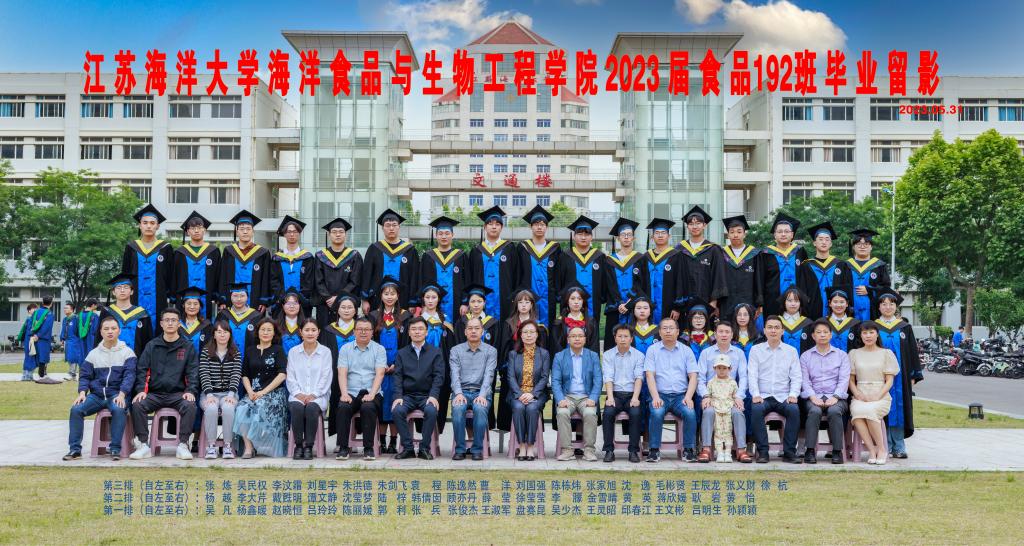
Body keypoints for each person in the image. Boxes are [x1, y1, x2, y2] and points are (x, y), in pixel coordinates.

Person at [129, 307, 199, 460]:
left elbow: (193, 372)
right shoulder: (152, 345)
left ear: (179, 324)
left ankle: (183, 445)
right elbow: (142, 369)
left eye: (174, 320)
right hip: (154, 394)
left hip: (177, 394)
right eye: (167, 320)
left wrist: (190, 390)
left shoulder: (187, 346)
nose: (170, 323)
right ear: (161, 324)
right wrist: (141, 390)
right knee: (138, 404)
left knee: (190, 405)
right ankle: (143, 445)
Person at [64, 316, 136, 461]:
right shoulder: (93, 354)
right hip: (96, 396)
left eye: (113, 328)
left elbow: (130, 376)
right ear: (101, 332)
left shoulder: (127, 353)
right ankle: (75, 450)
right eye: (106, 329)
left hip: (116, 395)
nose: (110, 331)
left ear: (119, 331)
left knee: (118, 409)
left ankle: (115, 449)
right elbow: (85, 375)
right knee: (76, 409)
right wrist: (82, 393)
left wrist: (122, 395)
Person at [873, 288, 923, 459]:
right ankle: (885, 445)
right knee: (882, 408)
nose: (888, 307)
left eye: (891, 304)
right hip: (878, 377)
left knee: (900, 409)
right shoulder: (874, 327)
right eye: (884, 304)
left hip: (901, 378)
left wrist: (914, 375)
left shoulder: (905, 328)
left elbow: (913, 352)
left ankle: (899, 446)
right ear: (879, 307)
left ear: (896, 307)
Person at [556, 216, 619, 347]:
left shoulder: (600, 257)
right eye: (580, 234)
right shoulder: (565, 257)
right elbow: (559, 282)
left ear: (591, 237)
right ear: (574, 236)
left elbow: (605, 283)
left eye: (587, 234)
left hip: (593, 305)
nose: (583, 237)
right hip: (569, 307)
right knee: (568, 334)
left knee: (592, 333)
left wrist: (600, 297)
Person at [748, 315, 803, 464]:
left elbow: (796, 376)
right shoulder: (756, 350)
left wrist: (793, 394)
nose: (773, 330)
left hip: (783, 396)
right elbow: (752, 375)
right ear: (764, 330)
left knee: (794, 410)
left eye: (777, 328)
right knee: (756, 409)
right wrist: (756, 394)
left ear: (782, 331)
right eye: (770, 327)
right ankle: (763, 452)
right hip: (763, 396)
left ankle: (789, 452)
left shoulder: (791, 351)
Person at [644, 317, 700, 463]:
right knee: (657, 412)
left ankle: (688, 450)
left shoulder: (686, 351)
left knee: (690, 413)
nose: (668, 331)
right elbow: (649, 375)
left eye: (671, 328)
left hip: (680, 396)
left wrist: (688, 397)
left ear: (677, 332)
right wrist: (655, 397)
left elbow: (693, 376)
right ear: (660, 332)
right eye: (664, 328)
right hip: (660, 395)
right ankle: (654, 450)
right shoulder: (652, 350)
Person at [696, 321, 752, 463]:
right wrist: (705, 395)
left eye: (727, 332)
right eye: (721, 332)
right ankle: (706, 449)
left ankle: (741, 450)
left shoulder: (738, 353)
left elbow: (744, 377)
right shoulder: (706, 353)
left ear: (732, 334)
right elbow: (700, 378)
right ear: (715, 334)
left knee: (738, 412)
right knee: (708, 412)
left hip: (730, 396)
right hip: (711, 396)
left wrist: (739, 396)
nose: (724, 335)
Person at [232, 317, 288, 458]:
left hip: (274, 394)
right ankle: (249, 448)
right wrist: (250, 392)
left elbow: (282, 375)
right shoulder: (250, 351)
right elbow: (245, 375)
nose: (266, 332)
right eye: (263, 329)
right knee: (241, 408)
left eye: (269, 330)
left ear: (274, 333)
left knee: (259, 407)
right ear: (257, 332)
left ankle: (258, 444)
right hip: (253, 393)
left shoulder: (278, 350)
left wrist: (263, 392)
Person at [392, 317, 445, 460]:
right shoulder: (402, 353)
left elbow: (439, 377)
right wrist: (398, 397)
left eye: (421, 329)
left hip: (427, 396)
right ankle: (408, 448)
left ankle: (424, 448)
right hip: (407, 396)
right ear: (409, 332)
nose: (417, 332)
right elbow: (397, 377)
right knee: (397, 410)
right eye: (413, 329)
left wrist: (433, 396)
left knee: (431, 410)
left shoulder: (435, 352)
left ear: (426, 332)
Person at [800, 318, 851, 464]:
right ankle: (810, 450)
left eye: (825, 332)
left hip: (836, 397)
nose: (822, 335)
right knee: (814, 411)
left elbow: (844, 379)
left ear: (830, 334)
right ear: (813, 336)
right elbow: (805, 380)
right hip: (813, 396)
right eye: (818, 332)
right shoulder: (805, 356)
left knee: (834, 411)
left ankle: (837, 451)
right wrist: (812, 397)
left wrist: (835, 396)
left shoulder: (841, 355)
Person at [497, 289, 549, 433]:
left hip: (534, 375)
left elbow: (543, 351)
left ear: (532, 304)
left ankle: (532, 437)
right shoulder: (509, 324)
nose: (524, 305)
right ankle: (515, 439)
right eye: (520, 302)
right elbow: (504, 349)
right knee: (513, 409)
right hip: (512, 373)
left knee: (533, 406)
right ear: (516, 304)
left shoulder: (539, 326)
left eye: (527, 302)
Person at [335, 316, 387, 461]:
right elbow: (342, 373)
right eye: (360, 329)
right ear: (354, 331)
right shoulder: (345, 349)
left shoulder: (379, 349)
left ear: (372, 332)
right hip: (351, 391)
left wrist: (372, 394)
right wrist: (344, 393)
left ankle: (368, 448)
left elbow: (380, 373)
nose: (363, 332)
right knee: (343, 407)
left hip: (372, 391)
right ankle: (343, 447)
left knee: (368, 407)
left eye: (367, 329)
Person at [849, 320, 900, 465]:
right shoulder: (854, 353)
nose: (868, 336)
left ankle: (882, 449)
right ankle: (872, 450)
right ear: (861, 335)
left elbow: (889, 381)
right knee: (857, 413)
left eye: (871, 332)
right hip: (860, 394)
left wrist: (878, 395)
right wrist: (857, 394)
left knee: (871, 411)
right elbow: (850, 380)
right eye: (865, 333)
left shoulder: (886, 353)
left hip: (881, 395)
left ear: (877, 334)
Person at [369, 277, 410, 454]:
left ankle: (394, 441)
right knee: (381, 405)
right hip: (377, 371)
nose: (389, 296)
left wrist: (396, 364)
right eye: (386, 293)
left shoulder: (405, 317)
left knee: (394, 403)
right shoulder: (373, 316)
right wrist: (380, 365)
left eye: (393, 293)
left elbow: (407, 344)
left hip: (398, 370)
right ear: (381, 295)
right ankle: (381, 441)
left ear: (398, 295)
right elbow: (370, 343)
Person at [449, 317, 498, 461]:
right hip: (462, 391)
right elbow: (454, 374)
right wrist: (458, 393)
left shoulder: (491, 351)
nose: (473, 331)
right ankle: (460, 449)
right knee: (458, 409)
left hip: (481, 392)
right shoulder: (456, 350)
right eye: (470, 328)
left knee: (480, 408)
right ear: (465, 332)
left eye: (477, 328)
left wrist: (482, 395)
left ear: (482, 331)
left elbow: (489, 375)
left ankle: (477, 449)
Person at [552, 326, 602, 462]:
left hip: (586, 397)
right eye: (573, 336)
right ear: (568, 340)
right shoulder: (559, 356)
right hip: (567, 397)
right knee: (562, 413)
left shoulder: (593, 356)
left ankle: (589, 451)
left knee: (590, 413)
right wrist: (560, 399)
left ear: (585, 339)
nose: (577, 338)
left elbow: (598, 380)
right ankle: (567, 451)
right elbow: (555, 381)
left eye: (580, 336)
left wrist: (593, 398)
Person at [286, 319, 333, 460]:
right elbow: (290, 376)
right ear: (300, 332)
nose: (310, 333)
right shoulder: (293, 352)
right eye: (307, 330)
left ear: (318, 332)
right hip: (297, 395)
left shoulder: (325, 352)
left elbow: (326, 376)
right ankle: (299, 445)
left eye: (313, 330)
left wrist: (314, 394)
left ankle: (309, 446)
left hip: (319, 395)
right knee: (297, 408)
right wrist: (298, 393)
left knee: (312, 408)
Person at [122, 204, 173, 330]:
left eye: (152, 223)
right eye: (145, 223)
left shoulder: (165, 248)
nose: (148, 226)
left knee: (158, 329)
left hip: (159, 299)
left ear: (158, 226)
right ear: (140, 225)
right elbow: (125, 275)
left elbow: (170, 276)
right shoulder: (131, 247)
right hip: (135, 298)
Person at [506, 320, 550, 461]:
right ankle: (522, 445)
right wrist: (520, 394)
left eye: (532, 332)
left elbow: (544, 377)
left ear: (537, 335)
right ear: (520, 335)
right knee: (519, 407)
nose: (529, 335)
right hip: (517, 394)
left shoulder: (544, 354)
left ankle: (530, 445)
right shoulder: (513, 354)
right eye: (525, 332)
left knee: (532, 408)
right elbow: (510, 377)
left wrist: (532, 394)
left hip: (537, 394)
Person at [601, 324, 645, 463]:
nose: (623, 339)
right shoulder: (608, 355)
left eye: (626, 336)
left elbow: (639, 377)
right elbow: (608, 377)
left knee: (636, 413)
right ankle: (608, 450)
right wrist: (610, 398)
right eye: (619, 336)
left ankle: (633, 451)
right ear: (615, 338)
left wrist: (635, 398)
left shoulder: (639, 355)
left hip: (632, 394)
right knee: (608, 413)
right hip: (615, 394)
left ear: (631, 339)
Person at [198, 320, 241, 460]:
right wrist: (209, 394)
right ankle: (211, 446)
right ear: (214, 335)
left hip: (229, 393)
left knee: (228, 408)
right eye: (219, 332)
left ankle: (228, 446)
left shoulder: (235, 352)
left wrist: (231, 394)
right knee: (211, 409)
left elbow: (236, 374)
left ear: (230, 335)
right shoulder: (206, 352)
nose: (222, 335)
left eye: (225, 332)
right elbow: (204, 373)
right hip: (209, 393)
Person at [320, 292, 360, 444]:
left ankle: (353, 437)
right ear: (337, 309)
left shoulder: (361, 328)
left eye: (350, 307)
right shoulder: (328, 330)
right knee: (338, 403)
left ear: (355, 310)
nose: (347, 310)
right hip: (336, 374)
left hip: (357, 373)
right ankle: (341, 440)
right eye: (343, 307)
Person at [417, 286, 457, 434]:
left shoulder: (446, 321)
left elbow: (451, 347)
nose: (430, 300)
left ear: (439, 299)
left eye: (433, 297)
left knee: (441, 396)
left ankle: (436, 433)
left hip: (442, 366)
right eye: (427, 297)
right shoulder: (417, 320)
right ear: (423, 299)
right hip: (420, 367)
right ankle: (423, 434)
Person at [361, 209, 418, 311]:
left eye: (394, 225)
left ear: (399, 227)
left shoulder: (410, 250)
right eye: (387, 225)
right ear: (382, 228)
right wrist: (365, 299)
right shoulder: (374, 249)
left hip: (403, 300)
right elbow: (366, 275)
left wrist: (412, 302)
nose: (391, 228)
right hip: (377, 299)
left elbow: (414, 277)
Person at [469, 206, 518, 324]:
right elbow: (470, 277)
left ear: (502, 227)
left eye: (497, 224)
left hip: (505, 300)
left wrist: (514, 298)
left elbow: (517, 274)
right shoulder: (476, 251)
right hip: (480, 301)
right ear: (485, 227)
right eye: (490, 224)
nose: (494, 226)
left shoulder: (510, 248)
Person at [758, 213, 813, 317]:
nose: (783, 234)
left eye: (786, 231)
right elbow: (760, 279)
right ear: (775, 235)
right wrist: (760, 301)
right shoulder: (765, 254)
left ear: (792, 235)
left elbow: (806, 277)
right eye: (780, 231)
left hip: (797, 302)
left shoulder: (800, 251)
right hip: (772, 301)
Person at [516, 206, 562, 328]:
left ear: (547, 227)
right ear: (530, 226)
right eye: (536, 224)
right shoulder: (522, 247)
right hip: (527, 297)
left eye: (542, 224)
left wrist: (557, 294)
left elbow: (558, 274)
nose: (539, 227)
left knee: (549, 327)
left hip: (549, 297)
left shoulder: (555, 248)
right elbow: (518, 273)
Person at [676, 205, 728, 313]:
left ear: (704, 225)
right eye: (691, 224)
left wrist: (714, 302)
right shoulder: (679, 249)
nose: (694, 227)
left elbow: (718, 276)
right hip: (683, 303)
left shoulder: (713, 249)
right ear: (687, 226)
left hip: (707, 302)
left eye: (698, 223)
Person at [313, 218, 362, 328]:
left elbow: (355, 281)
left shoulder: (354, 256)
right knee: (325, 332)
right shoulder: (320, 256)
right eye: (334, 232)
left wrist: (339, 297)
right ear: (329, 235)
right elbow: (318, 280)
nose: (338, 234)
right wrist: (328, 298)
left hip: (347, 304)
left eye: (341, 232)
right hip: (325, 305)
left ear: (345, 235)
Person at [220, 210, 272, 313]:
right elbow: (223, 276)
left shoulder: (263, 253)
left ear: (253, 231)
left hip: (255, 300)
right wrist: (222, 299)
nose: (245, 232)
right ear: (237, 231)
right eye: (242, 229)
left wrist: (264, 300)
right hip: (231, 300)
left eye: (248, 229)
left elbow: (266, 279)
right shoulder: (229, 251)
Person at [172, 211, 220, 320]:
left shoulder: (213, 252)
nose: (196, 230)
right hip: (184, 300)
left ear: (204, 230)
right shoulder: (180, 253)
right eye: (193, 228)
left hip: (207, 299)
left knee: (206, 324)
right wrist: (173, 296)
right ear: (188, 231)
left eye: (199, 227)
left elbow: (219, 275)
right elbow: (174, 276)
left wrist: (218, 296)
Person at [605, 217, 646, 343]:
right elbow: (609, 285)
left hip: (635, 308)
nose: (626, 237)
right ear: (618, 238)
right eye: (623, 235)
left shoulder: (640, 259)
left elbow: (641, 284)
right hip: (615, 308)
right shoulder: (609, 260)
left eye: (629, 234)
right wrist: (619, 304)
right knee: (613, 342)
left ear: (634, 238)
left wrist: (629, 303)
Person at [419, 216, 468, 322]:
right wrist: (423, 304)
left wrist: (465, 302)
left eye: (447, 233)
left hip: (457, 305)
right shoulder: (428, 256)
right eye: (440, 234)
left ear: (452, 235)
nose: (444, 236)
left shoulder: (461, 256)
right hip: (431, 305)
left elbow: (467, 281)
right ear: (436, 236)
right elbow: (422, 282)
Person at [798, 222, 851, 320]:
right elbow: (802, 292)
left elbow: (846, 291)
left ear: (831, 244)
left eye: (827, 239)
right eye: (820, 239)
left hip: (836, 313)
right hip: (812, 312)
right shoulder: (806, 266)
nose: (824, 242)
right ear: (814, 243)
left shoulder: (841, 265)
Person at [839, 228, 891, 321]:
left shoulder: (879, 266)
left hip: (873, 312)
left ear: (871, 247)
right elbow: (839, 288)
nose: (862, 247)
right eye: (859, 244)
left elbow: (886, 288)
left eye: (866, 244)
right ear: (853, 247)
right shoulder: (845, 266)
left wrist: (869, 290)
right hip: (849, 312)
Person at [640, 218, 685, 324]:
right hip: (648, 306)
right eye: (657, 233)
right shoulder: (646, 257)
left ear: (669, 236)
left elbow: (681, 282)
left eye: (663, 233)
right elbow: (641, 282)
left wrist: (677, 307)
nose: (660, 235)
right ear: (652, 237)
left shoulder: (676, 255)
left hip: (669, 306)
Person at [97, 273, 153, 357]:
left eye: (126, 287)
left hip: (136, 359)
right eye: (119, 287)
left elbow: (148, 341)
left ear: (132, 291)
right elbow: (99, 337)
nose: (122, 290)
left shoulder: (142, 314)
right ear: (113, 292)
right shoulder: (106, 312)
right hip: (110, 359)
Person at [270, 215, 315, 317]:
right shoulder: (277, 258)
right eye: (289, 232)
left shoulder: (308, 258)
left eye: (295, 231)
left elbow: (310, 281)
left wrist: (300, 299)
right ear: (284, 234)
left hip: (303, 303)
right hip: (281, 303)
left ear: (299, 234)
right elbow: (273, 281)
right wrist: (283, 298)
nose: (292, 234)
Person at [718, 215, 761, 320]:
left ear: (744, 234)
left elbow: (759, 280)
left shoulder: (754, 254)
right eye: (732, 232)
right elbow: (717, 279)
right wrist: (716, 304)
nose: (735, 235)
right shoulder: (721, 254)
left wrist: (759, 303)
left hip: (749, 301)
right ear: (728, 235)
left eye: (739, 232)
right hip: (726, 302)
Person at [706, 355, 739, 463]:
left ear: (730, 369)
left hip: (728, 409)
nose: (721, 370)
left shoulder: (733, 383)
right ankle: (719, 452)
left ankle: (728, 452)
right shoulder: (711, 382)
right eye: (719, 368)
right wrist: (708, 400)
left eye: (724, 368)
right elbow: (708, 395)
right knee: (718, 431)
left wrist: (737, 402)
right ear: (714, 368)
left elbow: (735, 396)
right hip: (717, 409)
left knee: (728, 431)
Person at [217, 282, 260, 364]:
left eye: (242, 296)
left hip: (250, 361)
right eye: (235, 296)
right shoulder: (223, 315)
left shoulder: (256, 316)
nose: (239, 299)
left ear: (247, 297)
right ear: (230, 297)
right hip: (226, 362)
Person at [551, 285, 599, 354]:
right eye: (572, 298)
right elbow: (557, 347)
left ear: (583, 301)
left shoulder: (591, 321)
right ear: (567, 301)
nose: (576, 302)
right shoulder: (559, 322)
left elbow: (594, 346)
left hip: (586, 358)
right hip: (564, 358)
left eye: (579, 299)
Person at [21, 296, 55, 381]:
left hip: (33, 337)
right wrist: (38, 335)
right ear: (51, 303)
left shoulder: (36, 312)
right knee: (43, 357)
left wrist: (34, 335)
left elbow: (31, 324)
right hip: (43, 338)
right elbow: (46, 327)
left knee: (32, 356)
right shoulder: (49, 314)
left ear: (42, 302)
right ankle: (41, 375)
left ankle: (27, 375)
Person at [65, 299, 100, 381]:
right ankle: (91, 376)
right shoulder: (94, 316)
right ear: (93, 305)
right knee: (91, 356)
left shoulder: (78, 316)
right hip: (91, 340)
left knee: (81, 357)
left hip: (80, 340)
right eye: (96, 306)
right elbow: (95, 329)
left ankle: (82, 376)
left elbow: (75, 330)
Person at [777, 288, 814, 355]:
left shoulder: (808, 324)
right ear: (784, 302)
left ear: (800, 303)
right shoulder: (776, 322)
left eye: (796, 301)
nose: (793, 304)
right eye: (790, 301)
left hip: (802, 361)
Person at [178, 287, 213, 354]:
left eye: (195, 304)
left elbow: (210, 347)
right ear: (183, 305)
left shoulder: (207, 325)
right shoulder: (177, 325)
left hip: (201, 360)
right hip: (179, 360)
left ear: (200, 306)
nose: (192, 307)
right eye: (189, 303)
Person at [275, 290, 306, 355]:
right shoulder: (275, 325)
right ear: (283, 306)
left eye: (295, 303)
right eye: (288, 303)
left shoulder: (306, 325)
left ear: (299, 305)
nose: (292, 306)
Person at [60, 303, 77, 378]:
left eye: (66, 308)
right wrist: (62, 338)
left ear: (72, 309)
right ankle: (70, 371)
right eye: (64, 308)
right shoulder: (65, 319)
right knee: (68, 357)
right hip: (67, 340)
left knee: (72, 356)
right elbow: (63, 329)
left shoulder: (76, 318)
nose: (65, 309)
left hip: (74, 340)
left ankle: (72, 372)